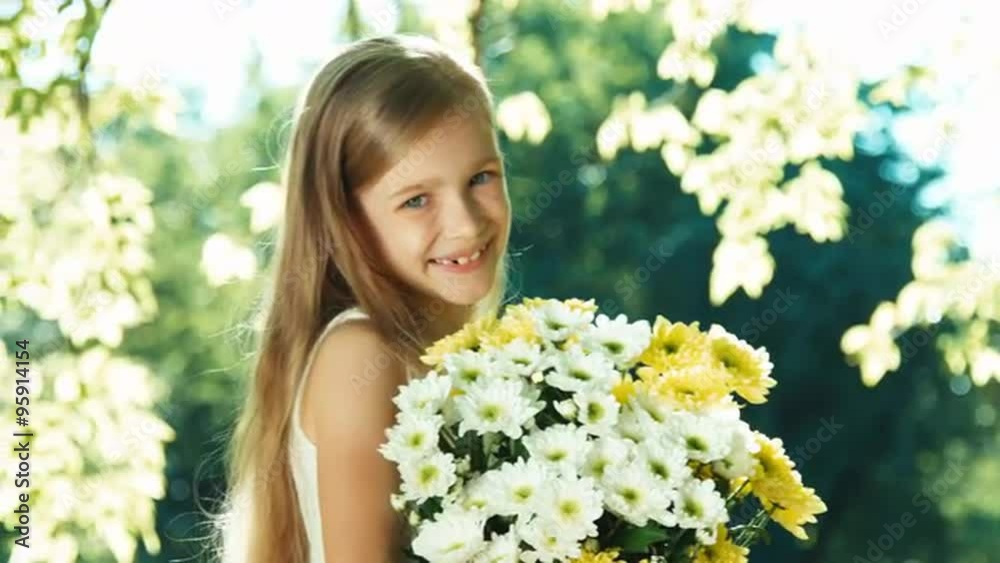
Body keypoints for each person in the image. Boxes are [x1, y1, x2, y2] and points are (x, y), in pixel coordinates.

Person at [213, 34, 512, 563]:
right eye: (416, 201)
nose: (466, 224)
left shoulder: (462, 357)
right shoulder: (361, 355)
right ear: (345, 221)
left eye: (480, 178)